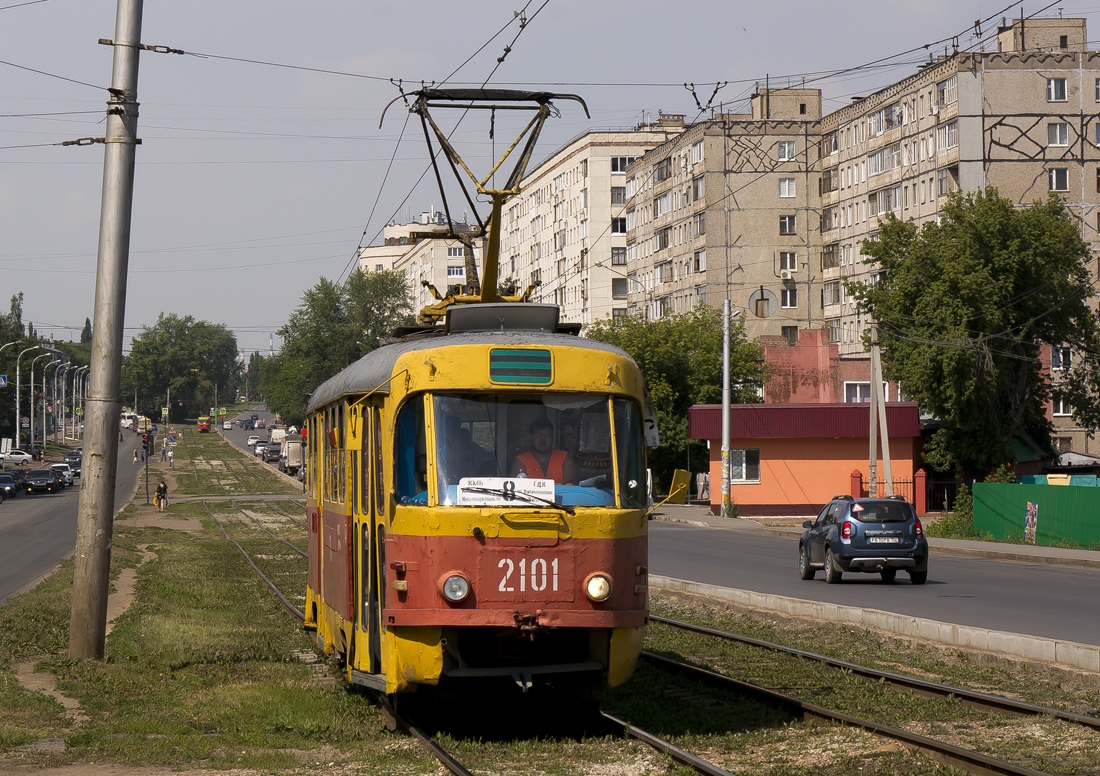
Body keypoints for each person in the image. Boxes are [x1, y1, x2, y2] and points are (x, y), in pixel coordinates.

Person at [510, 418, 576, 485]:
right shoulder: (521, 460)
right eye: (538, 435)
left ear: (552, 437)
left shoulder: (564, 457)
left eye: (547, 435)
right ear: (531, 437)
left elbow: (571, 484)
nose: (542, 438)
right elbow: (517, 488)